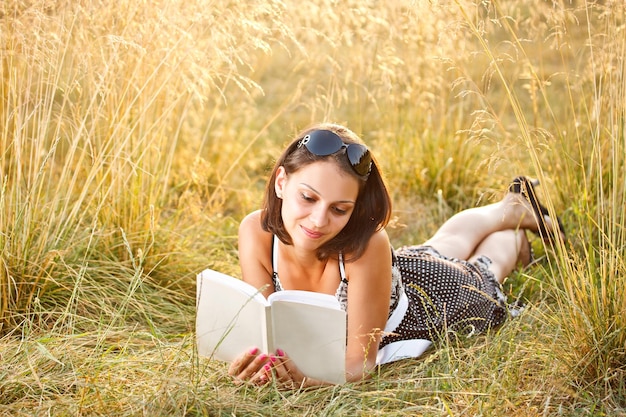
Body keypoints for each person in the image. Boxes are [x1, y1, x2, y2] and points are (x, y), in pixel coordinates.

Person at [228, 122, 565, 389]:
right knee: (442, 243)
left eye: (340, 209)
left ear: (354, 208)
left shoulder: (367, 242)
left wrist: (306, 382)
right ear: (281, 182)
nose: (318, 221)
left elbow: (359, 365)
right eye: (308, 198)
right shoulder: (255, 233)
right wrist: (252, 361)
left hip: (434, 299)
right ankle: (512, 206)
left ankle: (516, 237)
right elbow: (265, 332)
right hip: (392, 275)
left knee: (483, 270)